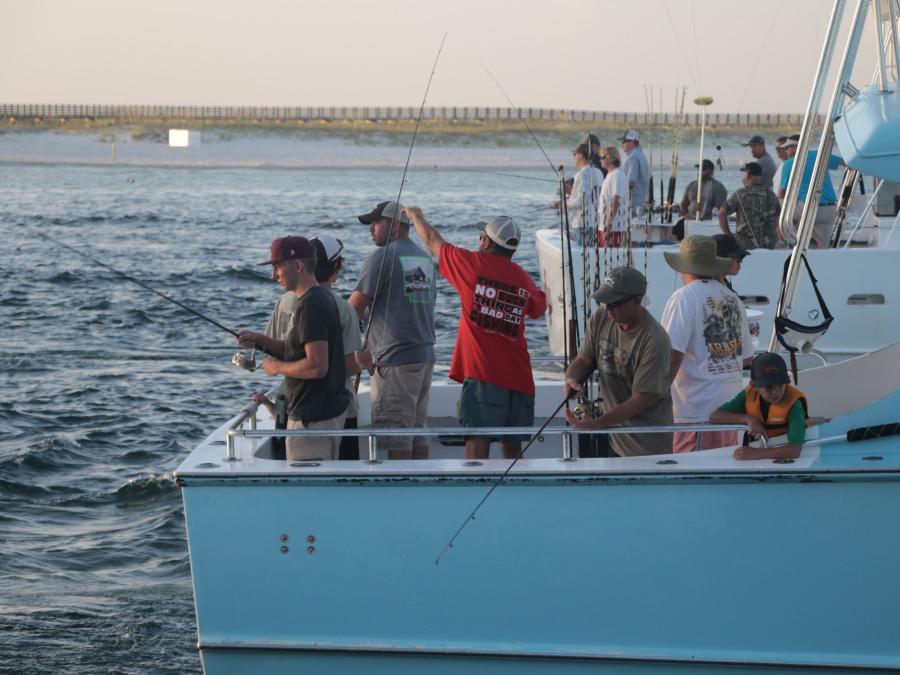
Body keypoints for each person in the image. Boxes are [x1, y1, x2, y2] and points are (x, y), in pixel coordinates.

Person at [404, 207, 547, 459]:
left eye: (481, 236)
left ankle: (479, 492)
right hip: (520, 375)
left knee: (477, 439)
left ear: (486, 242)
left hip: (484, 374)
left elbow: (431, 242)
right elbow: (538, 308)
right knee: (512, 449)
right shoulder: (523, 278)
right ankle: (514, 495)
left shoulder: (471, 264)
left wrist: (416, 216)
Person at [238, 236, 350, 461]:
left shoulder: (310, 306)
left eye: (277, 267)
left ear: (298, 265)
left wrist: (277, 367)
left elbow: (317, 367)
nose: (273, 275)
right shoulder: (322, 298)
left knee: (310, 493)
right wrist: (260, 340)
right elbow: (299, 349)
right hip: (324, 414)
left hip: (312, 421)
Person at [349, 200, 436, 460]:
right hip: (424, 357)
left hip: (394, 361)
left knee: (396, 439)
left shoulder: (381, 256)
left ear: (396, 225)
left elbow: (352, 310)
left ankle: (403, 497)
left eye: (377, 223)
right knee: (417, 433)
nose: (371, 229)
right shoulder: (424, 257)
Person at [563, 267, 674, 457]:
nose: (607, 309)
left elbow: (639, 401)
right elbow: (584, 359)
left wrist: (595, 425)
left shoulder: (654, 341)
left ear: (637, 301)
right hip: (611, 433)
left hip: (645, 446)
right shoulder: (600, 317)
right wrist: (571, 378)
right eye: (603, 301)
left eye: (614, 303)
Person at [660, 235, 754, 453]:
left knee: (691, 475)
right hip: (728, 408)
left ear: (684, 267)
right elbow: (747, 357)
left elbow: (672, 354)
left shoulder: (683, 297)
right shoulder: (733, 299)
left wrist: (655, 397)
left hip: (695, 411)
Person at [311, 234, 365, 460]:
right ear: (336, 268)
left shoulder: (285, 303)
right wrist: (367, 360)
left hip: (299, 410)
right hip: (339, 409)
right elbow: (350, 366)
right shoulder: (344, 309)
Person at [710, 352, 807, 461]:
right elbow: (714, 416)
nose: (775, 392)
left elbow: (794, 450)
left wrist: (756, 454)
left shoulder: (794, 403)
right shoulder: (748, 395)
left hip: (784, 454)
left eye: (780, 385)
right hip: (760, 449)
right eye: (768, 387)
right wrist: (748, 419)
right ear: (753, 385)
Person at [777, 136, 844, 247]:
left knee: (780, 207)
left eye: (787, 148)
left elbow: (781, 194)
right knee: (823, 247)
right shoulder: (820, 155)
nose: (786, 151)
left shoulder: (789, 164)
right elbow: (845, 163)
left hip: (808, 209)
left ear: (795, 147)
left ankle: (785, 242)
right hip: (829, 210)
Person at [717, 161, 781, 250]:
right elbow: (777, 223)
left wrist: (728, 233)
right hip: (768, 245)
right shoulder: (771, 195)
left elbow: (721, 214)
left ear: (748, 175)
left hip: (744, 245)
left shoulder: (740, 194)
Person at [564, 143, 604, 240]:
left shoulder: (582, 174)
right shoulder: (598, 172)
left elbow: (581, 202)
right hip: (596, 222)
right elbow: (591, 196)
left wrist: (563, 205)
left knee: (583, 253)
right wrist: (571, 193)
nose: (574, 157)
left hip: (582, 223)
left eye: (575, 154)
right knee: (590, 253)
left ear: (581, 155)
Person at [599, 146, 630, 246]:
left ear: (609, 157)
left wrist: (609, 222)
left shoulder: (617, 175)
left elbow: (616, 199)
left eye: (602, 157)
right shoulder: (610, 175)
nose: (600, 160)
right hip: (604, 225)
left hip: (615, 227)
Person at [620, 129, 650, 213]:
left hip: (633, 204)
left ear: (632, 142)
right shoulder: (641, 155)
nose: (622, 144)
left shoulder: (632, 157)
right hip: (641, 202)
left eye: (624, 141)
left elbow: (630, 182)